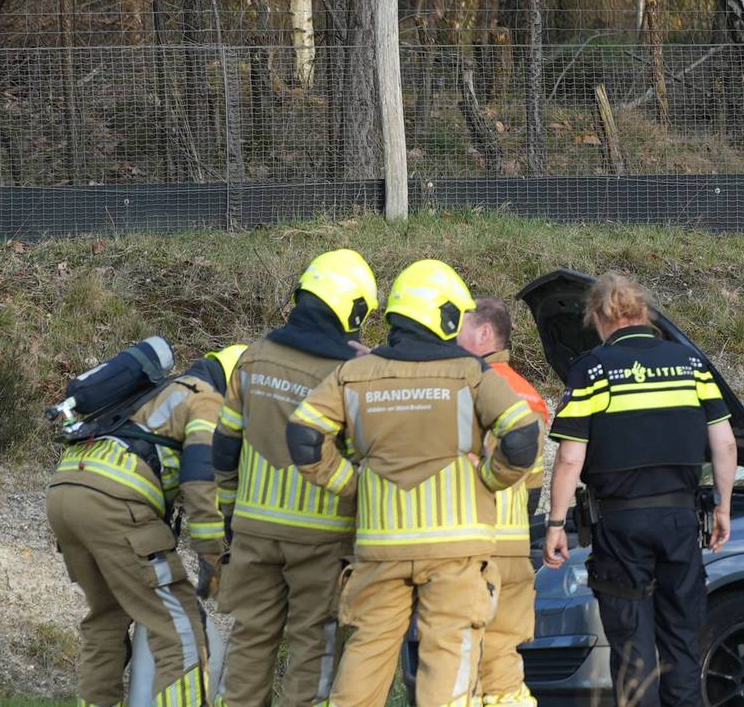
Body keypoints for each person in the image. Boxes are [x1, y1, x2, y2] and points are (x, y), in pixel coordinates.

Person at [286, 259, 544, 707]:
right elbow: (522, 436)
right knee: (448, 663)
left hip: (381, 547)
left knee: (365, 659)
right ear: (444, 315)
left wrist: (352, 484)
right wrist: (490, 478)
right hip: (455, 550)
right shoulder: (472, 374)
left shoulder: (355, 372)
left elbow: (304, 435)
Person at [543, 272, 738, 707]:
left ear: (598, 316)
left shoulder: (592, 369)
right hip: (682, 522)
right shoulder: (690, 363)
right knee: (683, 643)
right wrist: (723, 506)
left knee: (632, 648)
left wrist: (556, 524)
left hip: (620, 525)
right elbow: (724, 441)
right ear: (645, 313)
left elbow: (571, 457)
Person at [211, 249, 378, 707]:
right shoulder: (352, 374)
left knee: (249, 641)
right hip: (323, 539)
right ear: (354, 309)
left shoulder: (253, 358)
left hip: (253, 533)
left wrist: (231, 513)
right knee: (314, 648)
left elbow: (224, 446)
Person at [48, 343, 246, 707]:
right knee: (181, 632)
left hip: (65, 492)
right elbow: (202, 481)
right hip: (114, 504)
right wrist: (211, 557)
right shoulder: (206, 401)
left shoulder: (156, 391)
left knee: (106, 620)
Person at [456, 296, 549, 707]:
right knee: (505, 660)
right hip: (514, 547)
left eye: (460, 329)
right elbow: (534, 483)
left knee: (463, 656)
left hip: (471, 543)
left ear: (484, 334)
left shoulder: (468, 388)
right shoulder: (531, 395)